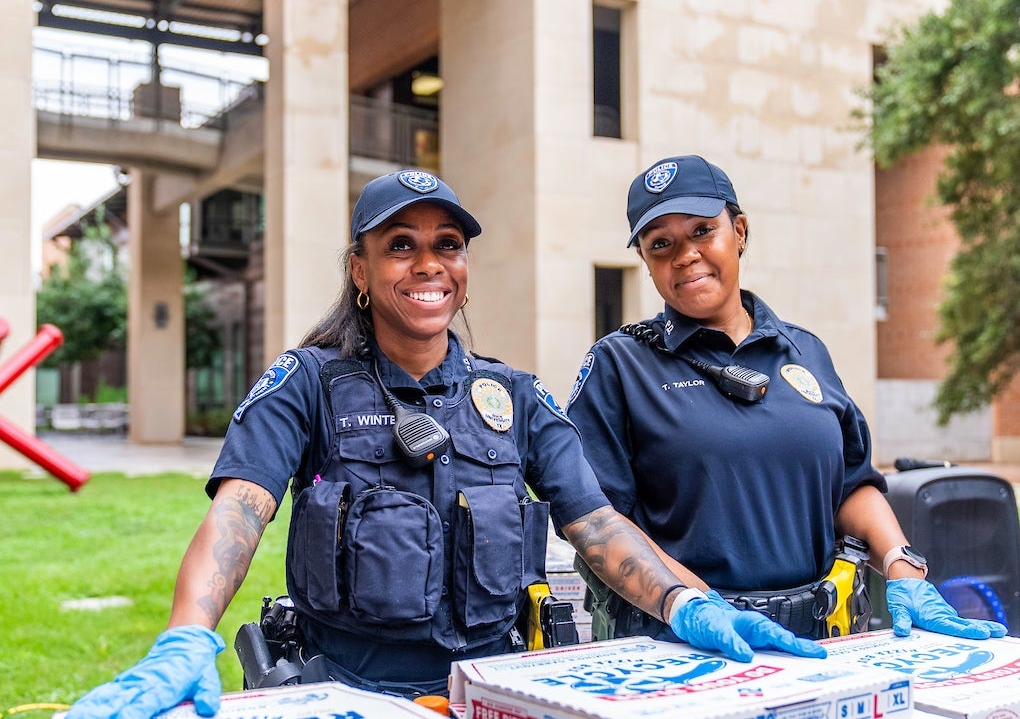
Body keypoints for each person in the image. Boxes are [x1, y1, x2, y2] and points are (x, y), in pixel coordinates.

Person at [66, 169, 826, 719]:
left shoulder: (516, 396)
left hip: (493, 693)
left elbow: (594, 523)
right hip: (346, 694)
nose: (429, 262)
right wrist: (184, 638)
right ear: (360, 271)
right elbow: (240, 513)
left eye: (448, 243)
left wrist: (684, 602)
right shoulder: (307, 382)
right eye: (401, 244)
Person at [565, 154, 1009, 646]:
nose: (684, 255)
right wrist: (690, 604)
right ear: (646, 263)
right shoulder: (620, 365)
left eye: (701, 231)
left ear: (739, 231)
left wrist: (902, 567)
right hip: (684, 641)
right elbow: (594, 521)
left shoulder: (805, 351)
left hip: (821, 636)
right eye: (661, 244)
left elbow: (852, 482)